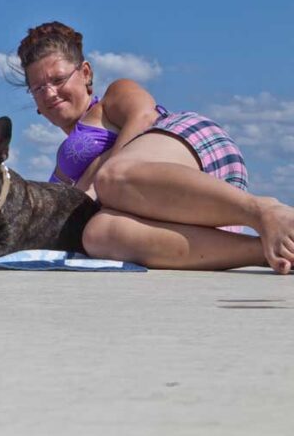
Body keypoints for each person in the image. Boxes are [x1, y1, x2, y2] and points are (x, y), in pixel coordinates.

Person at [16, 21, 294, 273]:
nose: (50, 93)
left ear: (85, 72)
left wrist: (95, 185)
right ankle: (267, 251)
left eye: (57, 79)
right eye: (38, 88)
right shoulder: (60, 169)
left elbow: (145, 116)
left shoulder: (112, 99)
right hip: (181, 213)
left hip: (193, 148)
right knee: (98, 235)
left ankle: (265, 211)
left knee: (112, 179)